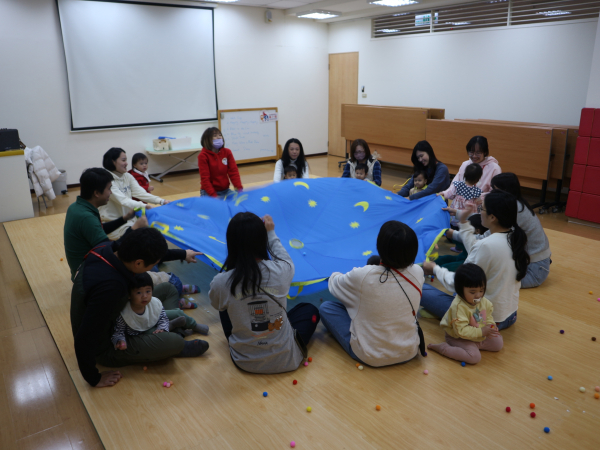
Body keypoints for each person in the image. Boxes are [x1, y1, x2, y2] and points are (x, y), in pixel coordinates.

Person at [71, 228, 206, 387]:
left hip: (121, 311)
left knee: (167, 289)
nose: (153, 267)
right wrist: (93, 378)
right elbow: (84, 338)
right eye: (153, 265)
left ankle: (163, 333)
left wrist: (183, 254)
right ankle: (171, 340)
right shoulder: (111, 288)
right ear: (138, 263)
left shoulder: (108, 248)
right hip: (108, 345)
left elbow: (150, 254)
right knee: (175, 342)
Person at [209, 213, 320, 374]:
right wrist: (271, 233)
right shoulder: (282, 270)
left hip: (245, 361)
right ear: (262, 241)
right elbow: (283, 257)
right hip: (287, 359)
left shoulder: (221, 282)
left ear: (231, 243)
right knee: (310, 310)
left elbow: (216, 303)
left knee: (224, 303)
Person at [320, 221, 424, 367]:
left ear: (379, 245)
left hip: (370, 356)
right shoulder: (418, 272)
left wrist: (347, 273)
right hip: (409, 351)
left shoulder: (363, 276)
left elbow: (334, 284)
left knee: (327, 308)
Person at [421, 190, 530, 331]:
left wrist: (435, 269)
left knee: (419, 287)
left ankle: (448, 315)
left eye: (481, 209)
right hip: (510, 316)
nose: (479, 212)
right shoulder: (514, 236)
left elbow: (458, 283)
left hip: (484, 321)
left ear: (492, 217)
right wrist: (464, 222)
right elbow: (475, 247)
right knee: (460, 293)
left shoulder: (487, 245)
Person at [449, 173, 551, 288]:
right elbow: (482, 216)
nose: (491, 192)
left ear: (505, 191)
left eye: (494, 189)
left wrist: (454, 233)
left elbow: (477, 241)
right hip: (532, 264)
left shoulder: (512, 212)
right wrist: (458, 214)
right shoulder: (514, 204)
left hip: (534, 271)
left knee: (481, 279)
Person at [64, 168, 147, 280]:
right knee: (143, 268)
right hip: (88, 276)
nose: (111, 192)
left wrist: (125, 218)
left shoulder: (76, 207)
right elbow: (110, 250)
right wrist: (135, 228)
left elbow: (99, 230)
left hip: (83, 269)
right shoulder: (86, 217)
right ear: (97, 193)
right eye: (109, 188)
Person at [427, 264, 503, 365]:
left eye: (481, 290)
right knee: (474, 358)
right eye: (472, 292)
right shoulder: (458, 307)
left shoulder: (484, 302)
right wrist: (481, 332)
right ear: (460, 290)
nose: (478, 295)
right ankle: (443, 348)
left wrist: (491, 326)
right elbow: (461, 331)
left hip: (476, 334)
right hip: (457, 336)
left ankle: (472, 346)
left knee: (498, 343)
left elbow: (488, 316)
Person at [111, 273, 209, 351]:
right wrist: (120, 341)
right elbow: (118, 332)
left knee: (177, 313)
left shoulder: (154, 303)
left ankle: (193, 325)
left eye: (148, 291)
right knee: (154, 335)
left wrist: (162, 327)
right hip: (143, 333)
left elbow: (163, 317)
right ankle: (171, 325)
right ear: (129, 295)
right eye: (139, 292)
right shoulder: (125, 313)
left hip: (154, 322)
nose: (144, 296)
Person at [100, 148, 170, 240]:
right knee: (143, 238)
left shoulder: (127, 176)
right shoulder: (106, 179)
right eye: (123, 160)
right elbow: (123, 200)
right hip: (113, 224)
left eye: (126, 160)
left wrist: (162, 201)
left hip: (129, 219)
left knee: (156, 231)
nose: (126, 163)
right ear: (113, 162)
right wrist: (145, 206)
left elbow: (141, 193)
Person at [198, 127, 243, 198]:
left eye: (220, 135)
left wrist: (239, 189)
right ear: (207, 139)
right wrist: (214, 195)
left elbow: (233, 172)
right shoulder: (203, 156)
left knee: (241, 200)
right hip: (208, 192)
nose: (218, 137)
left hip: (225, 190)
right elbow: (205, 179)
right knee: (217, 205)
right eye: (215, 135)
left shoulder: (227, 152)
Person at [439, 163, 483, 228]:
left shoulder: (458, 185)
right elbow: (479, 204)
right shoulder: (477, 192)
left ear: (464, 175)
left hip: (454, 215)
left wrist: (443, 193)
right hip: (467, 219)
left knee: (452, 228)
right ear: (478, 179)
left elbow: (450, 194)